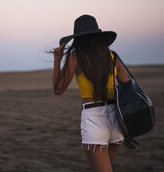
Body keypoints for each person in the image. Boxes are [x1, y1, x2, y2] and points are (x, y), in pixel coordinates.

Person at [52, 14, 129, 172]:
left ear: (78, 38)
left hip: (94, 118)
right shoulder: (113, 57)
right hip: (117, 119)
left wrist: (57, 59)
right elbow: (127, 87)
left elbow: (58, 89)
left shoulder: (75, 57)